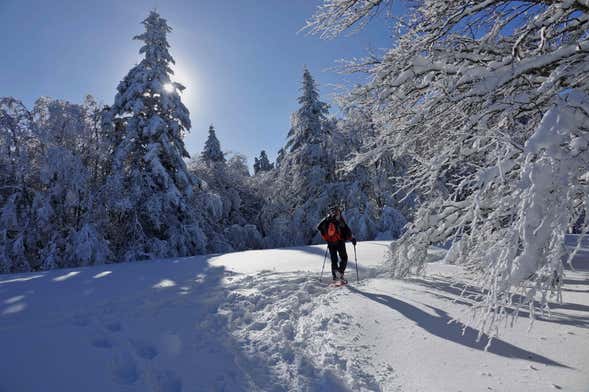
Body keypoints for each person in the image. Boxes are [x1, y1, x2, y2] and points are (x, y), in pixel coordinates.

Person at [317, 206, 357, 283]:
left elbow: (319, 227)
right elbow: (347, 232)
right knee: (344, 258)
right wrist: (352, 239)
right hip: (339, 242)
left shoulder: (326, 220)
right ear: (338, 212)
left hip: (330, 243)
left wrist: (327, 238)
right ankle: (340, 272)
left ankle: (335, 277)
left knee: (334, 260)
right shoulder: (339, 220)